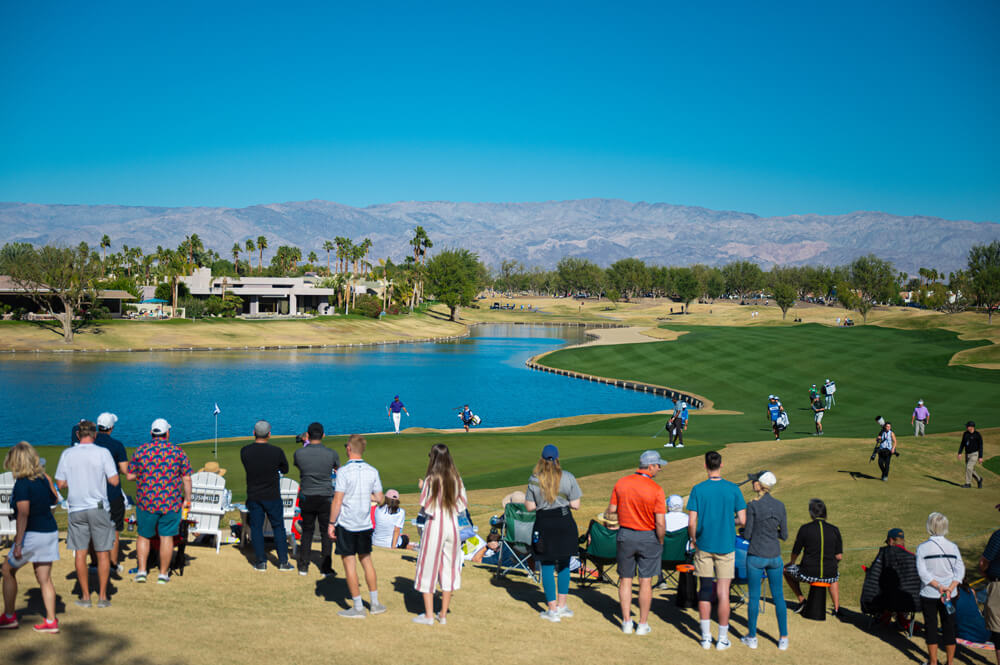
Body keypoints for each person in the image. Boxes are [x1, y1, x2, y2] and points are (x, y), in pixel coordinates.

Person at [54, 420, 119, 607]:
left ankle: (85, 597)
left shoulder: (68, 454)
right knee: (102, 553)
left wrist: (74, 481)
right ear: (95, 434)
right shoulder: (103, 453)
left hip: (76, 508)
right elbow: (113, 479)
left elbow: (60, 484)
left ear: (77, 435)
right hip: (98, 507)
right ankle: (103, 597)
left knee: (81, 553)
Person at [687, 450, 747, 650]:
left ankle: (705, 637)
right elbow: (743, 520)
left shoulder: (698, 489)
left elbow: (692, 521)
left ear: (705, 466)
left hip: (704, 545)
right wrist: (729, 521)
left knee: (704, 589)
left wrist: (694, 539)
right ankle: (722, 638)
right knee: (723, 592)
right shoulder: (732, 489)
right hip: (726, 546)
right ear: (721, 465)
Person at [0, 442, 60, 633]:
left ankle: (9, 616)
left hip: (33, 535)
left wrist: (18, 544)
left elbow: (23, 514)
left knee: (7, 570)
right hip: (50, 531)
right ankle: (51, 621)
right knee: (44, 578)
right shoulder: (42, 479)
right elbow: (55, 499)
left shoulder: (23, 484)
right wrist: (48, 481)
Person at [607, 450, 667, 635]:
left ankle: (626, 621)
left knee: (625, 579)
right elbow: (660, 522)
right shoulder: (656, 489)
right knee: (645, 581)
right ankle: (642, 624)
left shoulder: (622, 483)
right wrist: (661, 540)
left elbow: (611, 511)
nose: (659, 469)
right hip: (648, 536)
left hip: (625, 534)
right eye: (657, 466)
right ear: (650, 466)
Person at [126, 418, 193, 583]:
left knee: (143, 536)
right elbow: (186, 478)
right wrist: (188, 499)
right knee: (166, 537)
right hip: (171, 502)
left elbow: (130, 476)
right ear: (167, 433)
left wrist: (145, 475)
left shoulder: (141, 451)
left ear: (151, 433)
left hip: (146, 502)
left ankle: (142, 571)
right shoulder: (177, 452)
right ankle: (163, 574)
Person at [328, 434, 386, 618]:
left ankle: (358, 607)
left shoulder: (343, 472)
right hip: (365, 524)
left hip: (347, 524)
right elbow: (380, 498)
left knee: (349, 564)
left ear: (348, 449)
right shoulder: (372, 471)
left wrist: (331, 523)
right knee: (366, 560)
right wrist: (364, 496)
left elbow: (337, 500)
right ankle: (375, 604)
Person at [525, 444, 582, 623]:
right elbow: (576, 504)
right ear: (558, 458)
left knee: (547, 565)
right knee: (564, 563)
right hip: (564, 522)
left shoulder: (534, 479)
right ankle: (562, 605)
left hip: (544, 522)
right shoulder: (568, 477)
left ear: (542, 460)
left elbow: (530, 506)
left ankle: (552, 609)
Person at [412, 443, 468, 625]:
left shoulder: (431, 479)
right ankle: (442, 614)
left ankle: (429, 615)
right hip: (452, 524)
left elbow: (425, 505)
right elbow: (462, 505)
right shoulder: (456, 478)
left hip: (435, 523)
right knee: (449, 567)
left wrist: (422, 486)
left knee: (428, 565)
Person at [741, 471, 788, 651]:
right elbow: (783, 535)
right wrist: (770, 533)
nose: (753, 483)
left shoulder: (753, 505)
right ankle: (783, 637)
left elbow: (748, 534)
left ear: (760, 485)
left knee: (754, 597)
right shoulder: (780, 505)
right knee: (779, 597)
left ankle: (752, 636)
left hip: (756, 555)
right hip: (774, 556)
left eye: (755, 481)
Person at [240, 420, 293, 572]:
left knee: (256, 528)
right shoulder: (276, 452)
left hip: (255, 495)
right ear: (269, 434)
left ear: (253, 433)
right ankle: (283, 561)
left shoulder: (245, 451)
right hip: (272, 495)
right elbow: (285, 469)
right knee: (278, 527)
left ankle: (261, 562)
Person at [915, 512, 964, 665]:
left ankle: (933, 662)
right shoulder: (953, 547)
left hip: (929, 593)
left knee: (931, 627)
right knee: (949, 627)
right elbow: (960, 569)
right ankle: (950, 662)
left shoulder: (922, 548)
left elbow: (922, 572)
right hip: (950, 594)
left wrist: (939, 586)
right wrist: (950, 587)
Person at [293, 421, 339, 576]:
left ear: (308, 435)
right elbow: (336, 469)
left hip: (307, 495)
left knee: (307, 530)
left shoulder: (299, 453)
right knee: (327, 531)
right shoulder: (331, 454)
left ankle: (303, 566)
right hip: (325, 496)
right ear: (323, 435)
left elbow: (300, 466)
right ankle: (326, 567)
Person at [784, 498, 843, 617]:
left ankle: (802, 600)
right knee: (834, 575)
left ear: (811, 513)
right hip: (829, 574)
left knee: (785, 571)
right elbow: (839, 556)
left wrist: (791, 562)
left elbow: (796, 551)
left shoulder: (805, 528)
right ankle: (837, 608)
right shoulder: (835, 530)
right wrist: (830, 565)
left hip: (807, 573)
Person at [860, 528, 920, 631]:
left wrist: (867, 570)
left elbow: (874, 575)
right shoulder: (913, 557)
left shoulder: (884, 553)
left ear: (891, 540)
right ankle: (901, 619)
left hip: (886, 599)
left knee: (884, 591)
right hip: (910, 601)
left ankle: (885, 616)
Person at [94, 412, 128, 573]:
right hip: (112, 493)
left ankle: (95, 563)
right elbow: (125, 470)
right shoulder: (117, 445)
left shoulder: (89, 444)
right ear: (111, 428)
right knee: (113, 529)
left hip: (92, 493)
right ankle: (113, 564)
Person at [979, 522, 1000, 665]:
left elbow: (984, 561)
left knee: (998, 630)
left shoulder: (998, 535)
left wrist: (984, 572)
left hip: (998, 584)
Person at [958, 421, 984, 489]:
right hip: (967, 454)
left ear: (972, 427)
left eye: (967, 426)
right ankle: (979, 479)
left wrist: (980, 457)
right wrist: (960, 453)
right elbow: (962, 443)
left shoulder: (977, 435)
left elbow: (981, 446)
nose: (966, 427)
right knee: (970, 469)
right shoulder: (965, 434)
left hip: (974, 454)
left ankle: (968, 483)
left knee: (969, 467)